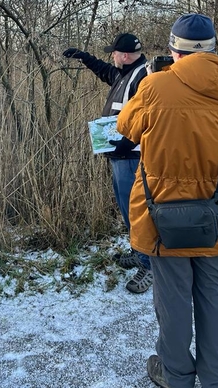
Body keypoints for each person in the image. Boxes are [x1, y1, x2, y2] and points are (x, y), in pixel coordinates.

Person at [117, 14, 218, 388]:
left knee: (173, 306)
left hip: (163, 215)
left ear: (173, 50)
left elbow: (126, 127)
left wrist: (155, 77)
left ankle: (176, 376)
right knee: (215, 303)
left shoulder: (155, 86)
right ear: (212, 49)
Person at [63, 32, 152, 293]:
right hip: (118, 154)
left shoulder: (143, 77)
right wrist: (84, 57)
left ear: (124, 55)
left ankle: (148, 265)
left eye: (113, 53)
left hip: (131, 155)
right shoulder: (124, 73)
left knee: (137, 211)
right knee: (128, 210)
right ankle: (139, 252)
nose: (111, 57)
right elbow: (104, 71)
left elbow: (148, 115)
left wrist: (126, 143)